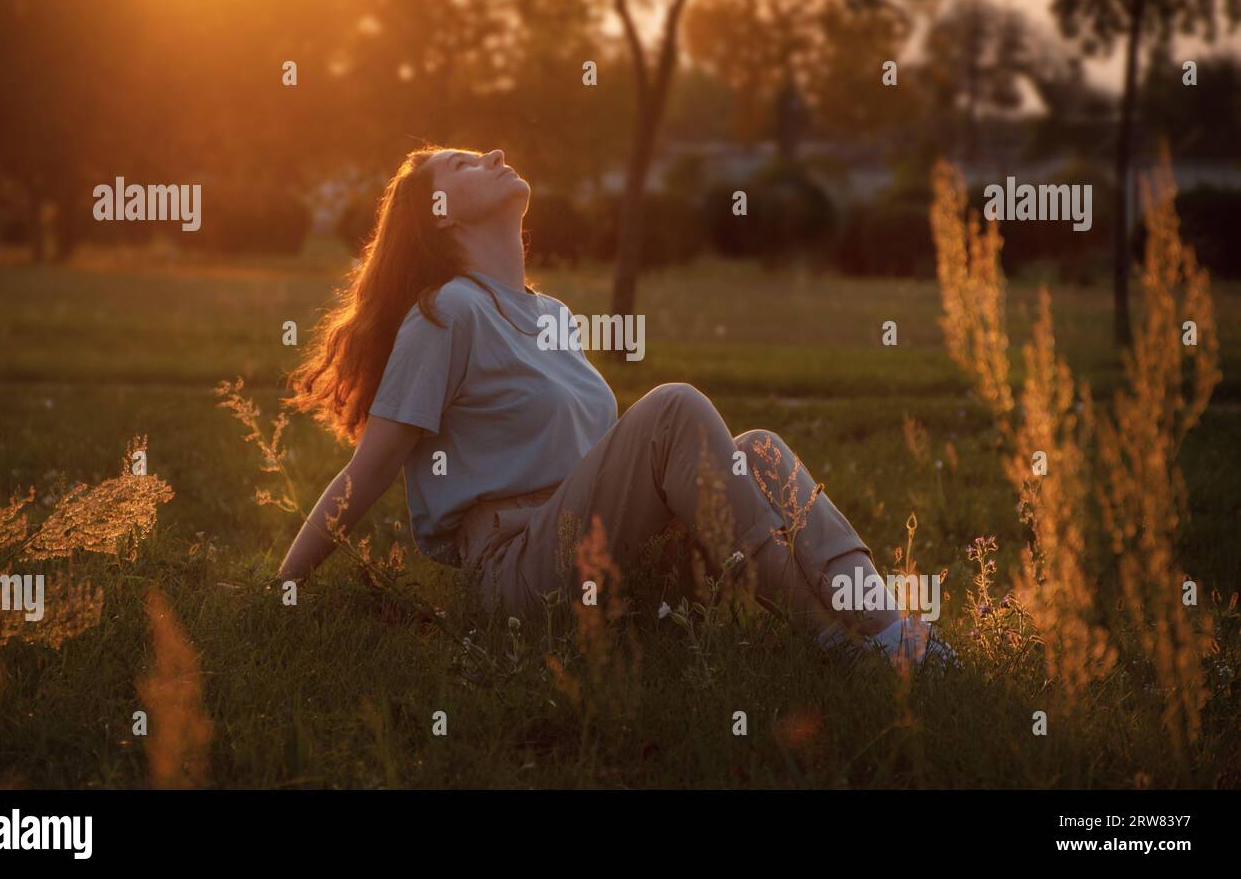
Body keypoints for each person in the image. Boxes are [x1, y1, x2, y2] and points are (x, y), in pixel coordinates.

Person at [280, 145, 956, 670]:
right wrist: (283, 587)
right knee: (673, 408)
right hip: (521, 579)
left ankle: (890, 627)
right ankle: (843, 647)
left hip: (614, 564)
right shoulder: (446, 315)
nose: (492, 157)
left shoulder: (552, 316)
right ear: (441, 215)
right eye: (462, 163)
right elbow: (363, 475)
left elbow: (612, 475)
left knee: (762, 451)